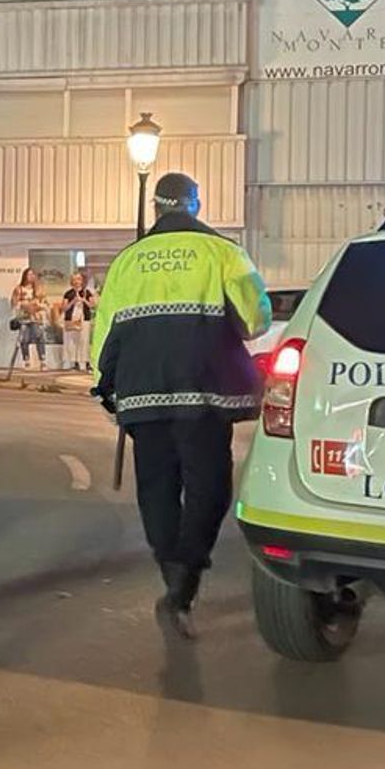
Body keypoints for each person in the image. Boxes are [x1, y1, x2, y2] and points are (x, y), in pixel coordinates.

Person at [90, 172, 271, 640]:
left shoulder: (127, 261)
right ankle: (186, 575)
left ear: (155, 207)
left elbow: (104, 332)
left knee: (157, 487)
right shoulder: (223, 253)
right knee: (208, 487)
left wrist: (104, 387)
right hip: (204, 393)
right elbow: (255, 320)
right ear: (194, 204)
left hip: (143, 392)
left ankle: (171, 570)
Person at [10, 268, 48, 371]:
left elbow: (45, 303)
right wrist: (23, 305)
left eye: (33, 274)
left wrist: (39, 306)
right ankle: (26, 360)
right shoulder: (19, 289)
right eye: (29, 274)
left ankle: (43, 361)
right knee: (24, 339)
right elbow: (14, 304)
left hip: (36, 317)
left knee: (39, 336)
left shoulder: (39, 289)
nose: (31, 277)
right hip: (24, 318)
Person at [61, 271, 96, 372]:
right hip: (71, 320)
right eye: (75, 279)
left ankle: (84, 362)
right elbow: (64, 308)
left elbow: (92, 305)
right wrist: (73, 301)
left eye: (79, 279)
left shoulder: (87, 292)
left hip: (84, 320)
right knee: (71, 342)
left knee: (83, 341)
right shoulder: (68, 293)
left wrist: (83, 300)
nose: (77, 282)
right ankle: (71, 362)